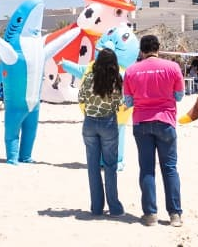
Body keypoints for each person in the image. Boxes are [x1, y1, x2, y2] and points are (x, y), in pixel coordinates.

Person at [123, 34, 184, 228]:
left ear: (141, 50)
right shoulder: (173, 67)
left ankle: (150, 215)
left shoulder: (131, 71)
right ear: (158, 48)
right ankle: (174, 214)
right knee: (170, 168)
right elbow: (179, 96)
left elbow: (128, 101)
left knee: (147, 169)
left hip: (141, 122)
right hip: (165, 121)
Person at [79, 48, 125, 217]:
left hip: (89, 123)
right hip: (108, 123)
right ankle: (114, 207)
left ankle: (96, 207)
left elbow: (81, 98)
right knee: (110, 166)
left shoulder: (89, 78)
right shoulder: (115, 79)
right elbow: (120, 102)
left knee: (92, 166)